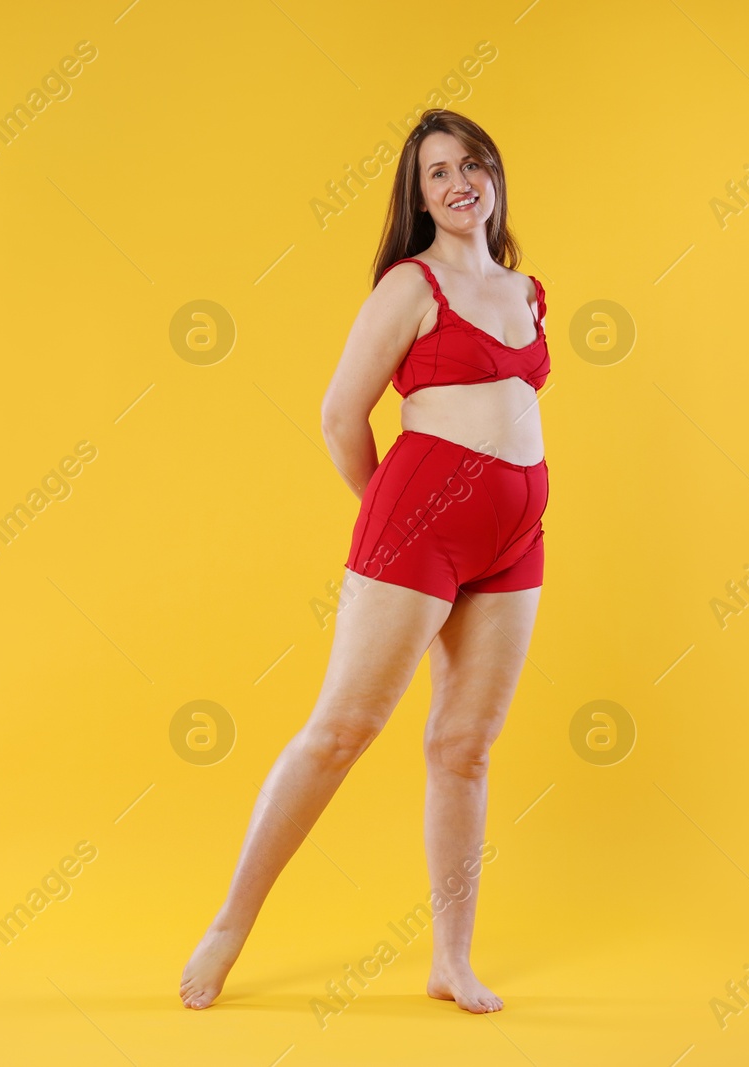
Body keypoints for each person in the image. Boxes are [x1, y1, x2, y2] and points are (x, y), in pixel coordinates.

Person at [180, 108, 549, 1015]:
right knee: (342, 730)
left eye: (471, 164)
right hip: (417, 527)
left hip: (517, 538)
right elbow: (341, 415)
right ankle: (230, 922)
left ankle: (451, 960)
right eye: (436, 173)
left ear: (493, 175)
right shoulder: (408, 285)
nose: (459, 181)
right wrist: (398, 522)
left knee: (465, 748)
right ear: (417, 198)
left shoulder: (530, 289)